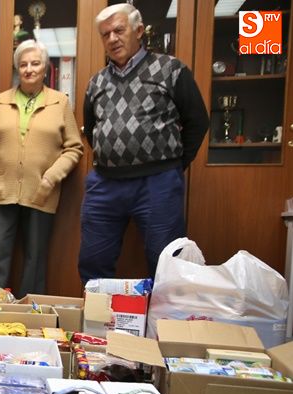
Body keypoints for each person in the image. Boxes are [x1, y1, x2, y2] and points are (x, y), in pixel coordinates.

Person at [79, 4, 208, 282]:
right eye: (105, 34)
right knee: (92, 261)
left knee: (166, 264)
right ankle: (97, 322)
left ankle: (164, 326)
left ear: (138, 31)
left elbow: (198, 121)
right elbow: (91, 130)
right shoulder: (96, 82)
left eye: (118, 30)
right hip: (105, 183)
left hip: (158, 183)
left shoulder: (170, 69)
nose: (112, 39)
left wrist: (173, 165)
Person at [0, 40, 82, 296]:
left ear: (45, 68)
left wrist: (51, 178)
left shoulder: (60, 102)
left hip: (42, 192)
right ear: (17, 68)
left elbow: (74, 148)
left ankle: (30, 314)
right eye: (23, 64)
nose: (29, 69)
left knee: (35, 258)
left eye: (35, 63)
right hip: (2, 191)